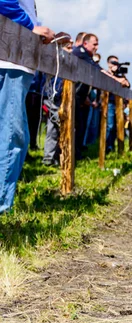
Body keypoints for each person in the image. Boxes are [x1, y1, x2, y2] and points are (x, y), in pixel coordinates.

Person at [0, 1, 55, 214]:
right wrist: (29, 26)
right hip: (11, 62)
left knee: (15, 136)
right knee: (11, 136)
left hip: (15, 60)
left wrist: (40, 30)